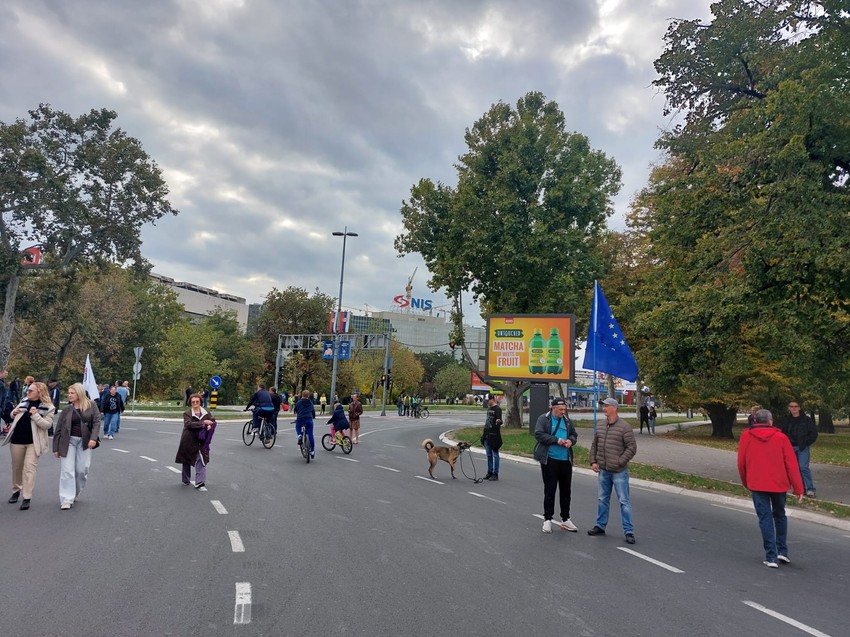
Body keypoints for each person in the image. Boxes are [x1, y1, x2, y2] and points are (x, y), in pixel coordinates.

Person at [738, 408, 804, 567]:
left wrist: (746, 481)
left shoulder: (746, 436)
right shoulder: (781, 438)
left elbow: (741, 462)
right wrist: (799, 488)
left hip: (757, 482)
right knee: (780, 515)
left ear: (755, 421)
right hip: (779, 483)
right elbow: (791, 464)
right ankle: (783, 551)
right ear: (770, 421)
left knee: (765, 518)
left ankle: (770, 555)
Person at [588, 397, 638, 543]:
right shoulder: (601, 425)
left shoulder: (624, 427)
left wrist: (619, 462)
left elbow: (632, 448)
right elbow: (594, 445)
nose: (604, 408)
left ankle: (629, 531)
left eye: (606, 406)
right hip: (603, 470)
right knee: (602, 499)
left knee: (624, 501)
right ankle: (600, 525)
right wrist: (593, 461)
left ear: (614, 408)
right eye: (603, 406)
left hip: (619, 471)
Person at [3, 381, 56, 510]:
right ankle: (16, 490)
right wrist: (13, 413)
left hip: (33, 442)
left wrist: (36, 415)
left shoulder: (48, 407)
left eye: (31, 390)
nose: (28, 392)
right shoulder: (24, 402)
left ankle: (27, 497)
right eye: (28, 390)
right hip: (17, 440)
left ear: (40, 392)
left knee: (29, 469)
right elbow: (12, 417)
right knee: (17, 468)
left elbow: (47, 425)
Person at [52, 382, 102, 510]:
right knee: (67, 471)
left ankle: (75, 492)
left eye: (72, 393)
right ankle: (66, 499)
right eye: (68, 393)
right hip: (68, 442)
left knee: (82, 470)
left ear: (79, 393)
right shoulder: (67, 409)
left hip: (85, 442)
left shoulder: (91, 405)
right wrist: (56, 448)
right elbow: (58, 429)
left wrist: (93, 438)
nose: (69, 395)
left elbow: (97, 422)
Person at [534, 397, 578, 531]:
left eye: (564, 409)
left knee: (566, 491)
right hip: (550, 459)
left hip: (565, 460)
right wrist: (556, 440)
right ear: (553, 408)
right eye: (560, 409)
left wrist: (571, 441)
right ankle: (547, 519)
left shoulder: (567, 421)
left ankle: (566, 519)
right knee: (550, 490)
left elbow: (574, 435)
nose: (562, 412)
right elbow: (539, 434)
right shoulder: (544, 419)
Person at [175, 393, 216, 491]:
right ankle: (186, 479)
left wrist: (210, 424)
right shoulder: (187, 413)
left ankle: (200, 481)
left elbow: (212, 420)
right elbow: (188, 424)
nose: (195, 403)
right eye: (193, 402)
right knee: (186, 460)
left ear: (200, 402)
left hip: (201, 440)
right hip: (188, 439)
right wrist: (203, 423)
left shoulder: (206, 412)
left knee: (201, 459)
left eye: (197, 401)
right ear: (190, 403)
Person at [780, 401, 818, 498]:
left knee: (803, 468)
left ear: (799, 408)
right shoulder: (786, 420)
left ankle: (810, 489)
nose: (793, 408)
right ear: (789, 408)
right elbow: (782, 433)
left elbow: (813, 433)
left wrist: (806, 443)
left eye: (796, 406)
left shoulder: (806, 420)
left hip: (802, 447)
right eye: (791, 406)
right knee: (795, 469)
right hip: (790, 448)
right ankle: (801, 489)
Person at [481, 394, 504, 481]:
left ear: (492, 399)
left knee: (495, 455)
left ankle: (495, 473)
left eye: (488, 400)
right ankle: (489, 472)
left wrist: (499, 421)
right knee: (488, 455)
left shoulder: (497, 409)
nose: (487, 402)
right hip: (487, 435)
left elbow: (499, 420)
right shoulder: (489, 409)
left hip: (494, 436)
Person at [294, 390, 316, 458]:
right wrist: (314, 416)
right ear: (308, 396)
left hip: (300, 419)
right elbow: (313, 411)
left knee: (297, 426)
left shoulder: (299, 402)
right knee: (310, 435)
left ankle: (299, 435)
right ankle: (312, 451)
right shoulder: (310, 403)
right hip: (309, 419)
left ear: (302, 395)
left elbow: (296, 410)